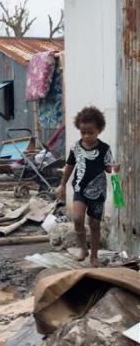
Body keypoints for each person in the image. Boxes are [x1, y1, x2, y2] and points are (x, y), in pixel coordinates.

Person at [55, 106, 120, 267]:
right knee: (77, 219)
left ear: (99, 129)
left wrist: (113, 169)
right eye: (83, 132)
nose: (86, 135)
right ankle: (83, 249)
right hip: (80, 189)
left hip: (98, 191)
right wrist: (62, 185)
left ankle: (94, 256)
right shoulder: (76, 147)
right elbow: (69, 166)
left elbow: (107, 167)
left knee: (95, 224)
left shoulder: (104, 148)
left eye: (90, 132)